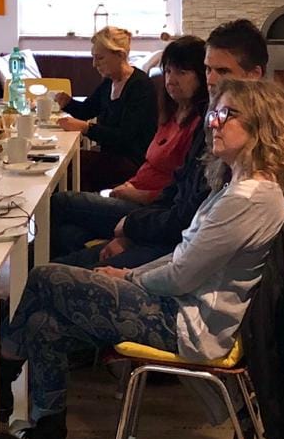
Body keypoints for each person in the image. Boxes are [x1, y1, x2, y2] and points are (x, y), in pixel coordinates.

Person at [3, 77, 284, 439]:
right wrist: (129, 276)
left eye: (227, 115)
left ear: (262, 125)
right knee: (46, 324)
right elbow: (185, 255)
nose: (214, 123)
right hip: (181, 307)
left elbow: (182, 275)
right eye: (214, 114)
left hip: (191, 324)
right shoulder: (236, 186)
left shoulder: (249, 198)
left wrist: (129, 275)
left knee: (47, 277)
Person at [59, 17, 269, 270]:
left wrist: (132, 228)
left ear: (254, 75)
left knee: (59, 218)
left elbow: (188, 224)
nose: (212, 80)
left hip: (172, 249)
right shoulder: (198, 118)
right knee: (66, 235)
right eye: (208, 69)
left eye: (222, 71)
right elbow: (177, 189)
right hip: (159, 220)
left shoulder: (235, 137)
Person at [48, 35, 207, 258]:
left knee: (62, 200)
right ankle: (57, 268)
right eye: (168, 71)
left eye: (181, 72)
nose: (171, 80)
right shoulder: (172, 113)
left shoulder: (197, 126)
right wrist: (68, 103)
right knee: (67, 233)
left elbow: (177, 192)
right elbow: (88, 109)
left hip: (145, 199)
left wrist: (137, 194)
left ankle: (41, 269)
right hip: (134, 186)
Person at [55, 25, 158, 184]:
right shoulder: (109, 82)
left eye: (100, 58)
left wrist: (86, 128)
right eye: (94, 57)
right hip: (112, 157)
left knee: (65, 165)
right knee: (62, 161)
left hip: (132, 162)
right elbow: (87, 110)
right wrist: (67, 102)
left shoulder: (140, 86)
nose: (94, 64)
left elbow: (125, 137)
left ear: (120, 55)